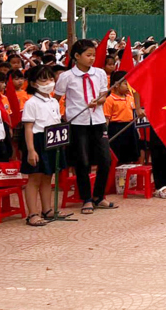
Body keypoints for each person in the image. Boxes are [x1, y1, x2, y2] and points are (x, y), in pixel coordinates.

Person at [55, 40, 116, 215]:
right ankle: (86, 199)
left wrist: (99, 100)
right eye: (88, 55)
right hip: (77, 122)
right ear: (76, 56)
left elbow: (104, 94)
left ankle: (99, 196)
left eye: (93, 55)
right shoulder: (66, 77)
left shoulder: (100, 74)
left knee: (105, 160)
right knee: (82, 162)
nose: (91, 59)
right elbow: (57, 98)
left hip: (97, 120)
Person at [20, 67, 60, 226]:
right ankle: (32, 214)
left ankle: (47, 209)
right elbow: (28, 127)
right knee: (34, 178)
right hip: (37, 141)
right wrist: (31, 150)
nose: (49, 83)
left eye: (51, 79)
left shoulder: (54, 101)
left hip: (52, 140)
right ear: (33, 83)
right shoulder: (31, 102)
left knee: (48, 176)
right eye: (44, 80)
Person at [103, 71, 140, 164]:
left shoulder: (130, 98)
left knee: (130, 155)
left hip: (130, 128)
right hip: (116, 129)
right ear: (116, 84)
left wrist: (137, 130)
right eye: (125, 84)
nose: (128, 86)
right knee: (118, 156)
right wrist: (105, 134)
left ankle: (127, 175)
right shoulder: (109, 100)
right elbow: (106, 119)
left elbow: (134, 114)